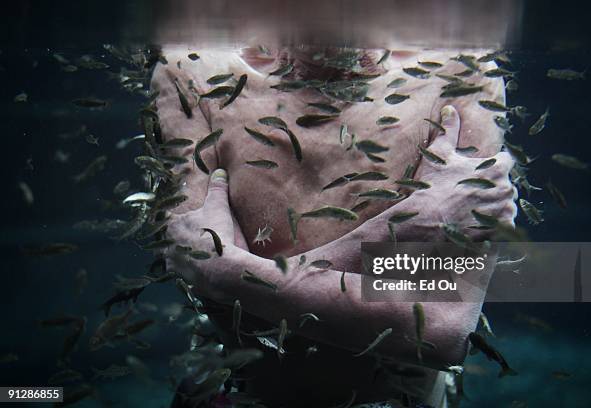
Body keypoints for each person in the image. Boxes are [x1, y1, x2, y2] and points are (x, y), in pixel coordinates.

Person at [151, 46, 517, 407]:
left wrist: (222, 271)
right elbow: (219, 304)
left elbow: (440, 329)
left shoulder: (462, 71)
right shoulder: (192, 70)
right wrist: (409, 225)